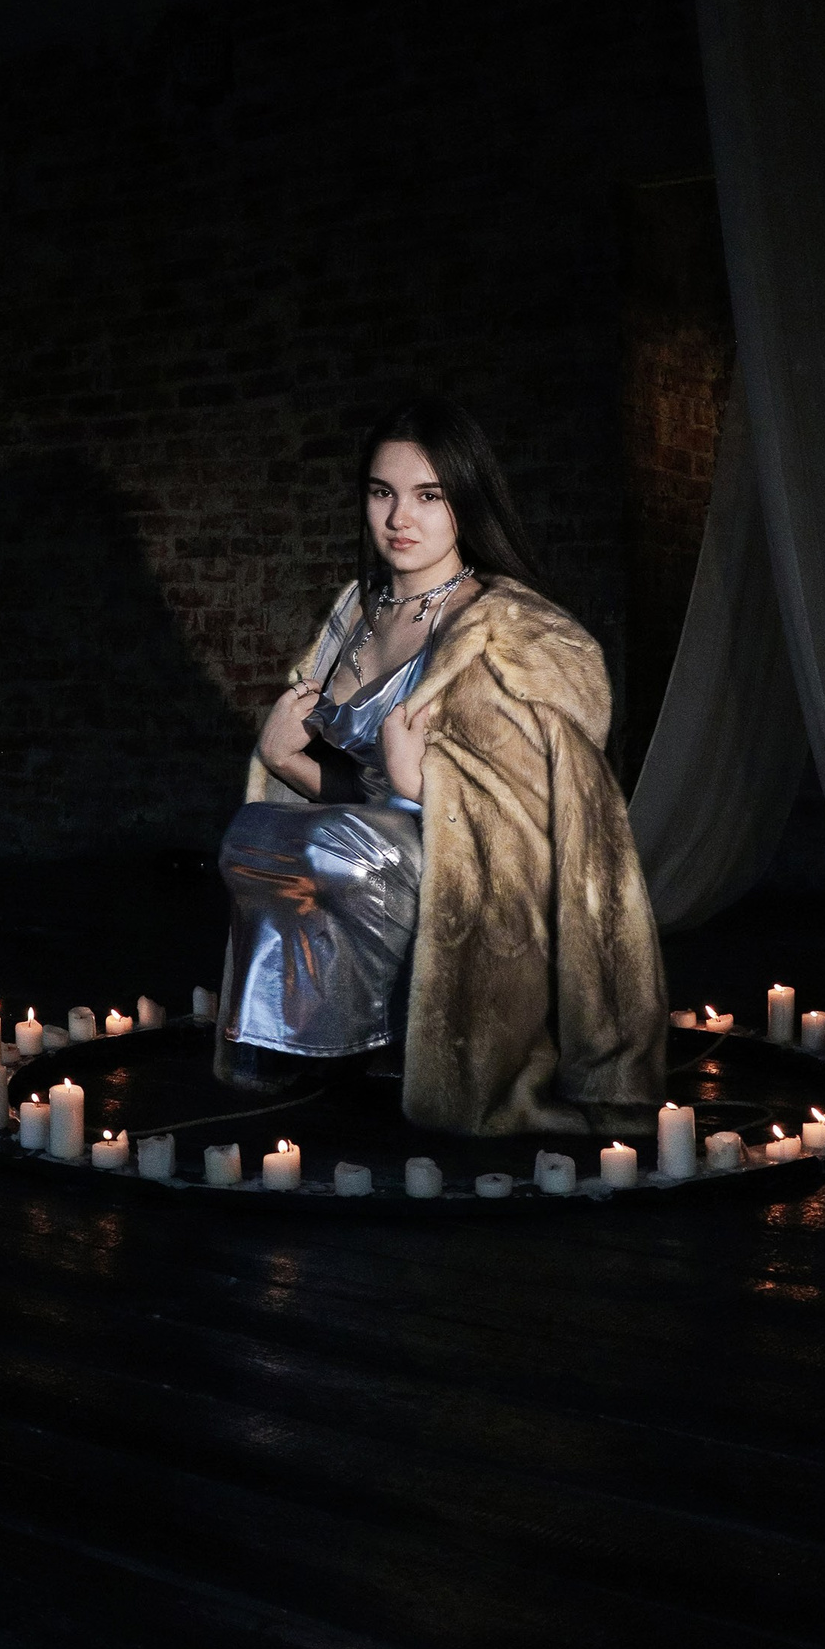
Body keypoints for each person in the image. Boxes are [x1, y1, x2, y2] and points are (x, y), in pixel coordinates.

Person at [215, 395, 668, 1137]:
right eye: (382, 492)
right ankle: (332, 1041)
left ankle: (382, 1046)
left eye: (429, 495)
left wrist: (426, 784)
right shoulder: (356, 612)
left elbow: (548, 821)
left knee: (331, 844)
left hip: (473, 887)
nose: (401, 517)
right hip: (371, 851)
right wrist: (286, 758)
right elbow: (357, 793)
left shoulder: (511, 631)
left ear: (467, 501)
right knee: (252, 834)